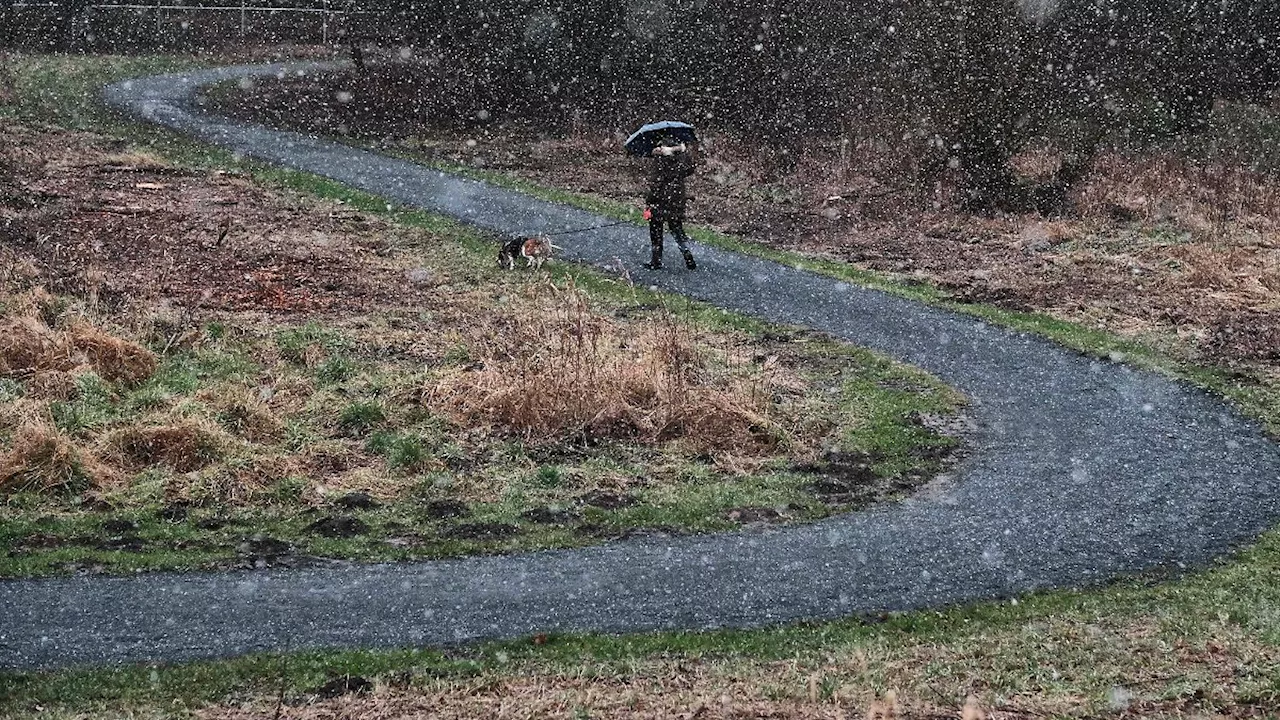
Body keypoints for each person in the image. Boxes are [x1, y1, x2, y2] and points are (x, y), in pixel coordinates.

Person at [643, 137, 697, 270]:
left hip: (660, 201)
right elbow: (690, 169)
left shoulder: (660, 161)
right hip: (677, 199)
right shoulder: (682, 159)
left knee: (656, 231)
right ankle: (687, 253)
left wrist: (649, 201)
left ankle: (656, 261)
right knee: (677, 229)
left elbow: (656, 183)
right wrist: (683, 151)